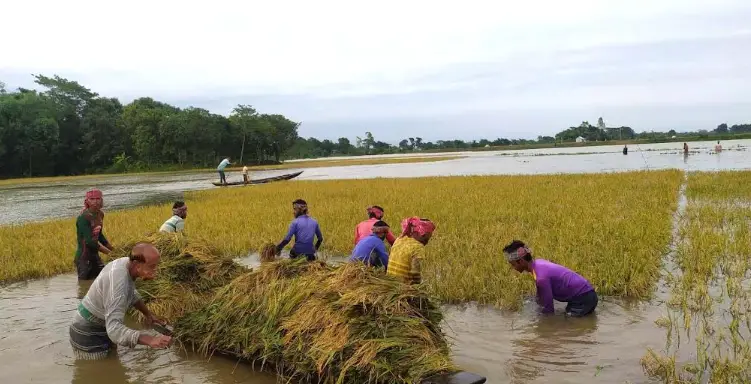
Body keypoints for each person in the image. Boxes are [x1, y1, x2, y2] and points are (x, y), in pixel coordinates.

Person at [69, 243, 171, 360]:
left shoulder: (127, 263)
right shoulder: (119, 282)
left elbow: (131, 293)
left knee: (113, 366)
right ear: (137, 265)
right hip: (88, 335)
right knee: (100, 373)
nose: (155, 272)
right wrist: (151, 340)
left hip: (102, 325)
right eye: (151, 267)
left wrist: (148, 314)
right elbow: (114, 329)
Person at [503, 240, 598, 317]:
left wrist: (540, 324)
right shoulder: (539, 263)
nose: (513, 268)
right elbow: (541, 294)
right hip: (587, 295)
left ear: (521, 261)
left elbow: (548, 310)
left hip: (583, 299)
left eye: (513, 264)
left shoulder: (541, 278)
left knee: (570, 326)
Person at [75, 189, 113, 280]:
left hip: (95, 255)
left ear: (102, 200)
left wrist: (113, 249)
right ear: (87, 201)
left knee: (101, 280)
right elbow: (89, 242)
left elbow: (99, 235)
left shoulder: (100, 214)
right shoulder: (83, 218)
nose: (95, 201)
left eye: (98, 199)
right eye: (92, 199)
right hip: (84, 257)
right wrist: (109, 253)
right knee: (83, 285)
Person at [387, 217, 435, 284]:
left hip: (389, 281)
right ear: (421, 234)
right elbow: (415, 272)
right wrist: (418, 287)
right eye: (426, 238)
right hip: (402, 286)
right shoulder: (418, 247)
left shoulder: (399, 239)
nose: (427, 242)